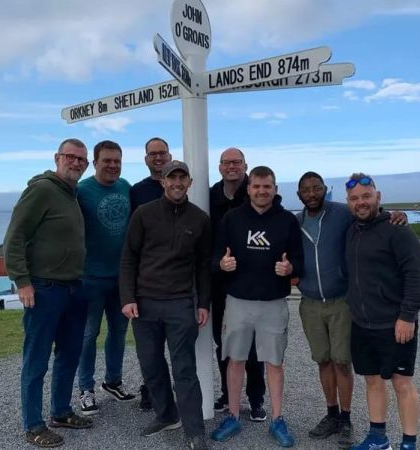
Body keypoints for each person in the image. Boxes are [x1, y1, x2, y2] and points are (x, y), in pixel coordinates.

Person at [296, 172, 409, 444]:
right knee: (323, 360)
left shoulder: (341, 213)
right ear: (298, 194)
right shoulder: (295, 222)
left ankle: (346, 418)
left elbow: (368, 215)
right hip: (310, 302)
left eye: (317, 188)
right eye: (306, 190)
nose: (312, 194)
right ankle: (331, 414)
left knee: (342, 362)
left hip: (341, 301)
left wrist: (396, 214)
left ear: (324, 190)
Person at [4, 138, 93, 448]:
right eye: (71, 157)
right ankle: (33, 424)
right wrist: (22, 281)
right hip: (43, 289)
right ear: (57, 157)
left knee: (69, 354)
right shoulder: (41, 190)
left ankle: (61, 411)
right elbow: (14, 237)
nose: (77, 163)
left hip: (74, 288)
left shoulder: (72, 194)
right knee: (37, 359)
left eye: (82, 159)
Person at [120, 160, 212, 450]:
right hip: (145, 304)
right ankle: (166, 415)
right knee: (150, 365)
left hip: (181, 303)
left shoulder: (199, 219)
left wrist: (203, 303)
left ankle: (194, 432)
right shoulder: (143, 214)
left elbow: (203, 267)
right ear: (163, 181)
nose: (177, 183)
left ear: (189, 182)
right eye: (172, 178)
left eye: (182, 178)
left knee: (184, 370)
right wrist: (128, 298)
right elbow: (128, 258)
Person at [210, 166, 304, 448]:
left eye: (267, 186)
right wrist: (222, 264)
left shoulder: (286, 220)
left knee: (274, 362)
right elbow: (216, 253)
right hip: (238, 301)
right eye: (256, 186)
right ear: (248, 188)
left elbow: (299, 259)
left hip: (273, 302)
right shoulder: (232, 218)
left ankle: (277, 418)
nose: (261, 191)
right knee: (235, 358)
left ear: (275, 189)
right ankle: (234, 415)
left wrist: (290, 268)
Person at [344, 173, 420, 450]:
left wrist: (408, 315)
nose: (361, 203)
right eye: (354, 199)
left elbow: (416, 275)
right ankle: (378, 439)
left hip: (395, 324)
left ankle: (409, 443)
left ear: (378, 197)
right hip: (362, 323)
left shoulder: (397, 230)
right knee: (372, 381)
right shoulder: (351, 230)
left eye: (366, 196)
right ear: (348, 203)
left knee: (402, 383)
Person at [75, 140, 136, 416]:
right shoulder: (81, 191)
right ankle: (85, 389)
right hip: (90, 277)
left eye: (117, 161)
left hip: (121, 277)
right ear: (95, 162)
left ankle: (113, 381)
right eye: (107, 161)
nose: (112, 165)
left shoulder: (125, 187)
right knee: (88, 335)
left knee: (119, 332)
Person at [209, 147, 266, 420]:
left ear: (245, 165)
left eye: (237, 162)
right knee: (224, 344)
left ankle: (256, 399)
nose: (232, 166)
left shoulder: (255, 192)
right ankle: (226, 393)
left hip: (252, 284)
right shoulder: (208, 196)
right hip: (221, 284)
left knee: (254, 346)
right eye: (226, 162)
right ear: (220, 167)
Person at [126, 136, 173, 411]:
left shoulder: (182, 184)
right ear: (146, 159)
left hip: (179, 277)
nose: (158, 158)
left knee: (180, 344)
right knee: (150, 345)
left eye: (162, 153)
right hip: (147, 277)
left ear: (169, 156)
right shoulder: (137, 191)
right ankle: (151, 388)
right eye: (153, 154)